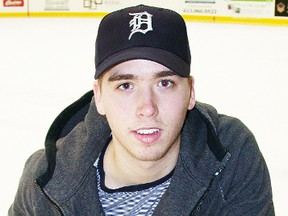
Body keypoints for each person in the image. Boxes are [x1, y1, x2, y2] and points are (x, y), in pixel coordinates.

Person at [9, 4, 274, 216]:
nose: (147, 108)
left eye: (165, 83)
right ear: (99, 97)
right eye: (126, 85)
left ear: (190, 92)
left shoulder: (232, 156)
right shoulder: (44, 181)